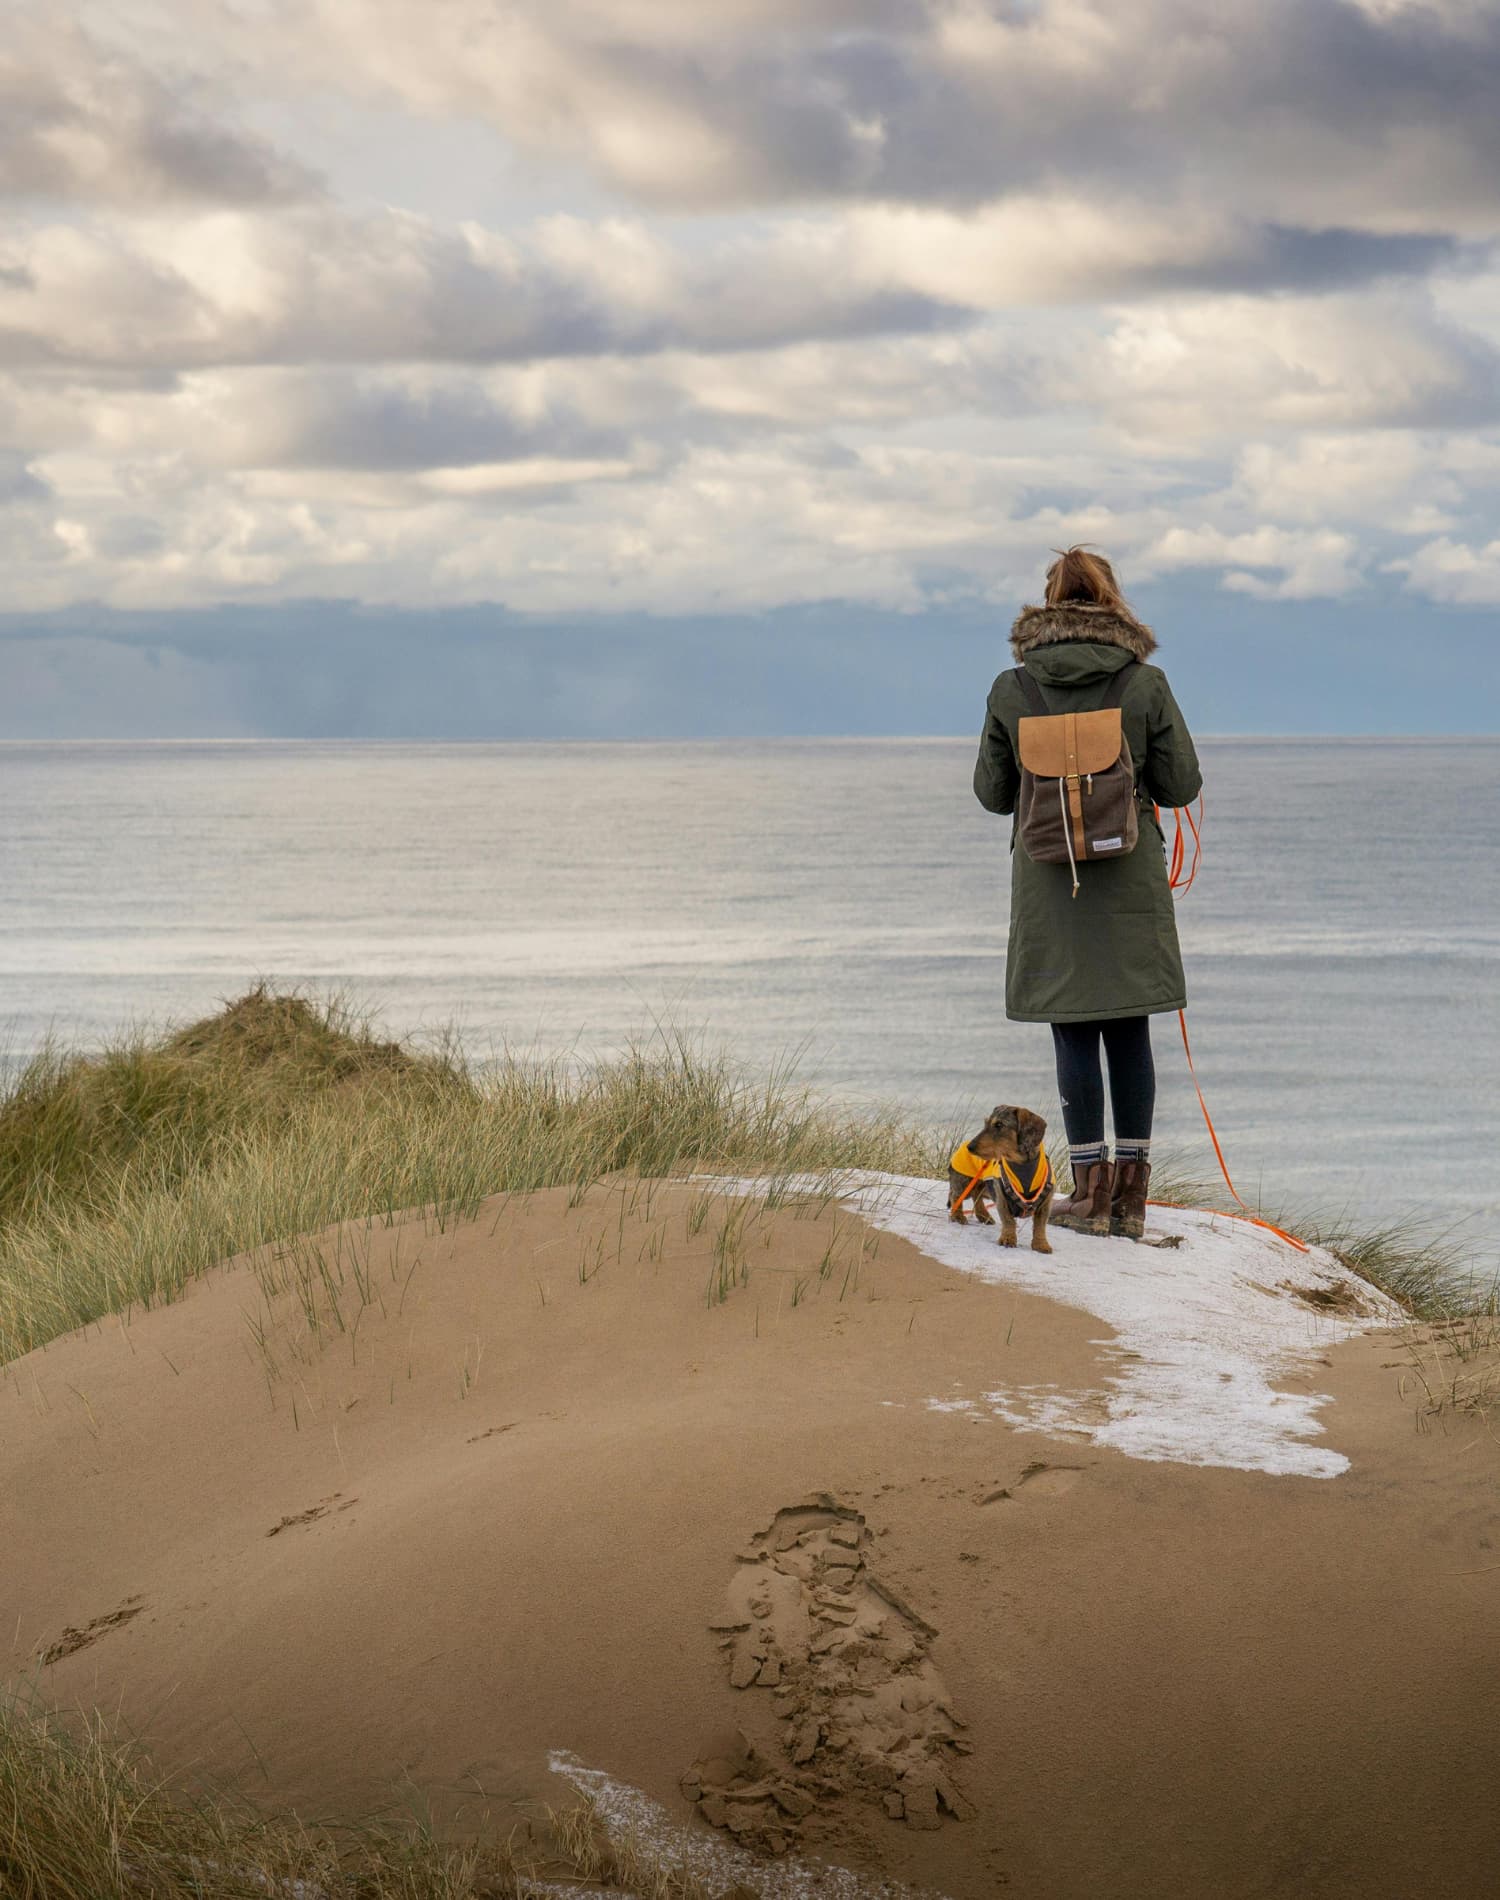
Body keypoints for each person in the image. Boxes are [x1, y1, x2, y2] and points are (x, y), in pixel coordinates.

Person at [972, 547, 1202, 1240]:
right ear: (1113, 604)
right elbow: (1181, 785)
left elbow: (991, 795)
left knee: (1072, 1027)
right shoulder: (1145, 682)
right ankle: (1131, 1200)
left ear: (1045, 606)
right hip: (1128, 878)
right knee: (1130, 1026)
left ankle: (1088, 1196)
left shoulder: (1012, 688)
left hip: (1048, 880)